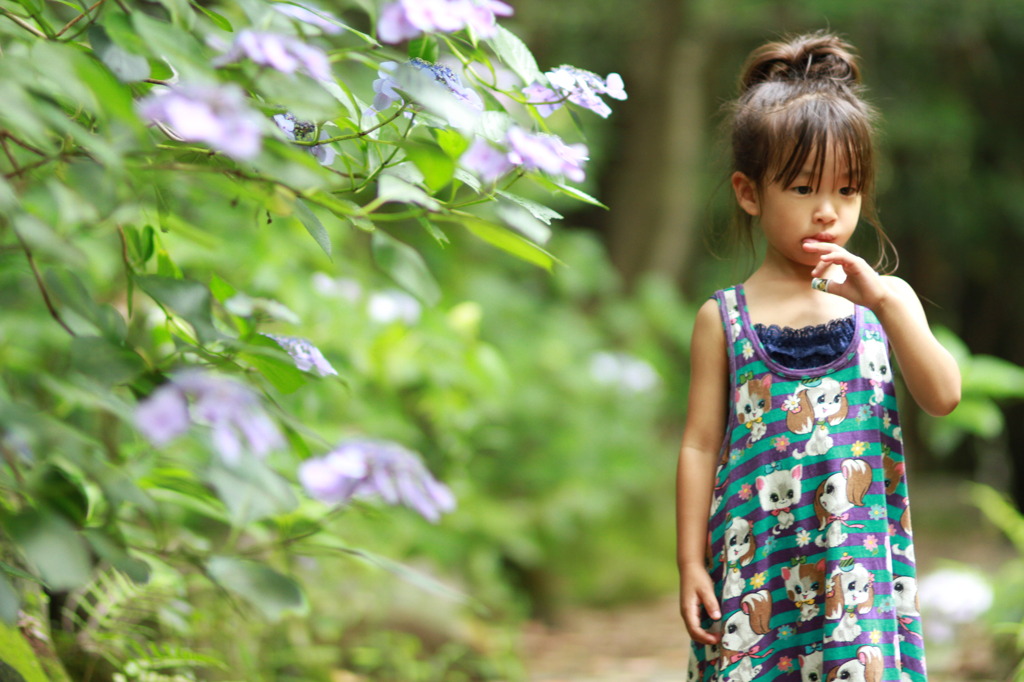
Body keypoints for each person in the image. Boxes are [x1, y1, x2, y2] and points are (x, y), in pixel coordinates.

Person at [675, 31, 961, 682]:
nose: (828, 212)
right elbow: (697, 445)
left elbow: (943, 395)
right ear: (750, 193)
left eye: (848, 190)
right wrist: (690, 561)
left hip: (855, 583)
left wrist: (884, 302)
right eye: (804, 188)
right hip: (756, 575)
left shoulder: (885, 304)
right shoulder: (723, 320)